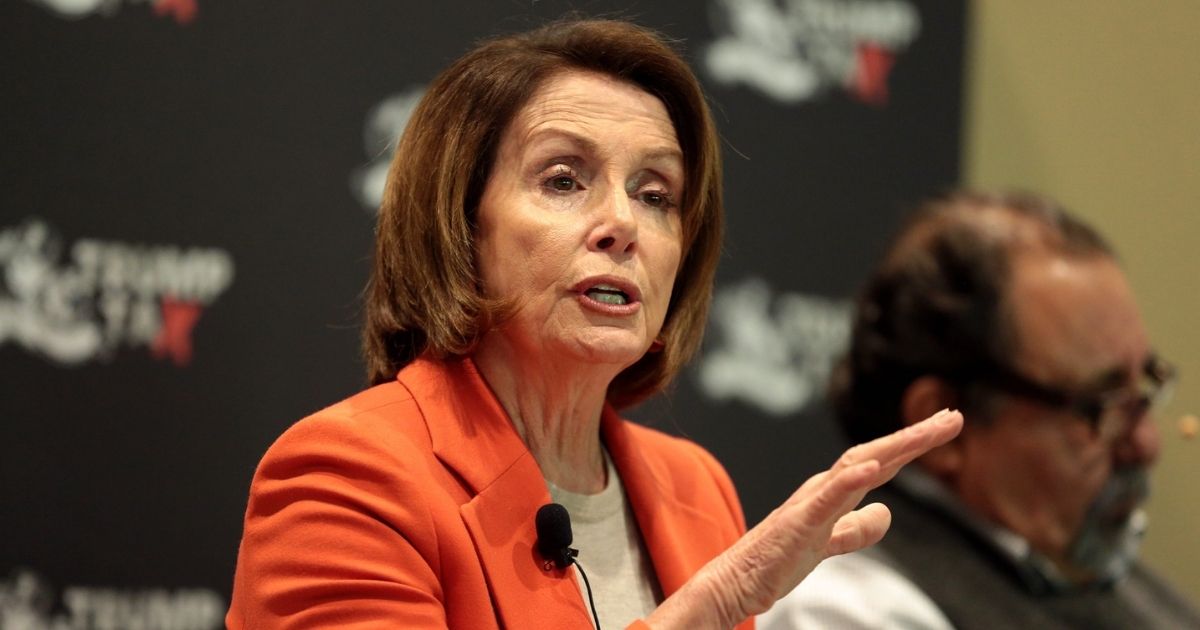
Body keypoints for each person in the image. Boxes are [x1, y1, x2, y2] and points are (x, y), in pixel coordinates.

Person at [225, 19, 962, 629]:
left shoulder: (695, 486)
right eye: (564, 180)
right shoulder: (348, 477)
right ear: (461, 223)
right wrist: (711, 609)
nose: (621, 224)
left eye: (655, 194)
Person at [760, 191, 1200, 629]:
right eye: (1099, 408)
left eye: (1144, 386)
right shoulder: (848, 611)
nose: (1145, 444)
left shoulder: (1126, 590)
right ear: (940, 425)